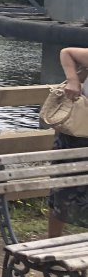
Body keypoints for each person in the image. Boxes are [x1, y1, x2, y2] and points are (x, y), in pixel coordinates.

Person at [49, 46, 88, 238]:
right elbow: (66, 52)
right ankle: (52, 242)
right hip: (77, 131)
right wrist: (73, 81)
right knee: (62, 189)